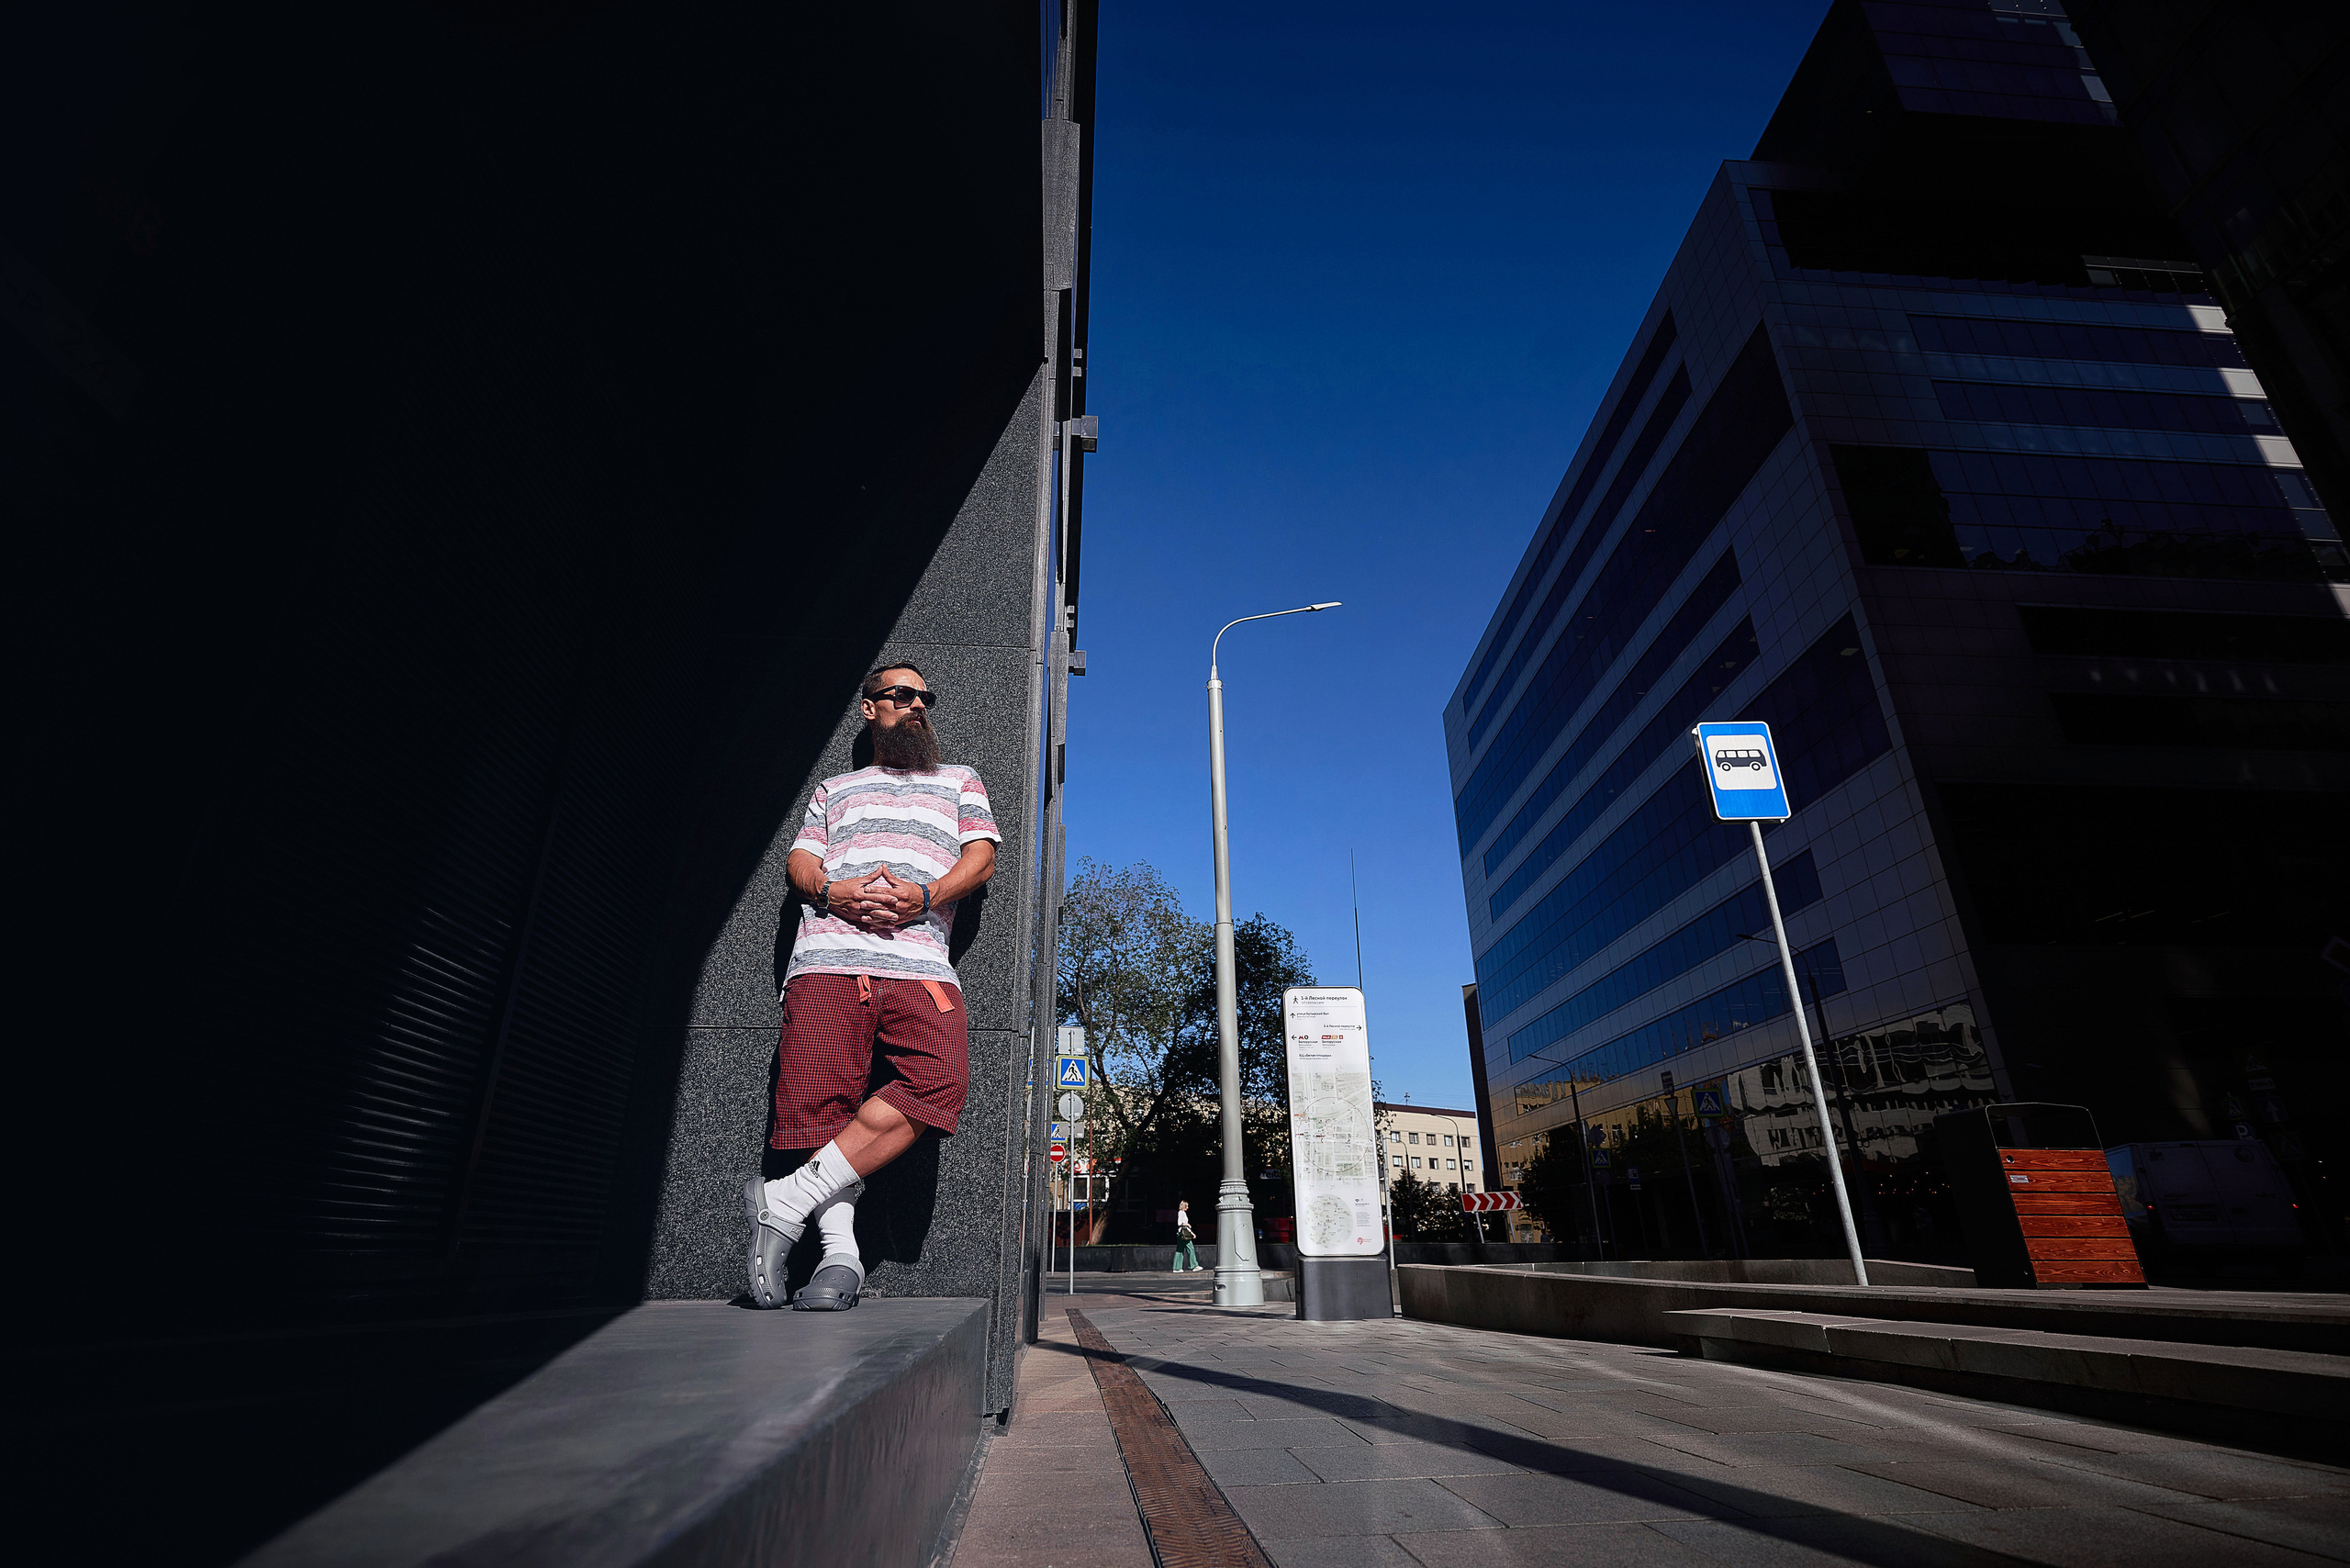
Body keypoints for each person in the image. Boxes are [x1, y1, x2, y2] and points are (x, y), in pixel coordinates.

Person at [743, 663, 1000, 1310]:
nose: (917, 706)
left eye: (924, 698)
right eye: (902, 695)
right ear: (869, 708)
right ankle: (841, 1258)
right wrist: (834, 890)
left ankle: (787, 1199)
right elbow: (799, 861)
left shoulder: (959, 779)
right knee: (818, 1109)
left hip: (922, 964)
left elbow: (982, 856)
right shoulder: (835, 788)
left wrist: (926, 895)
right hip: (828, 957)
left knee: (939, 1081)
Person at [1172, 1200, 1200, 1272]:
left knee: (1180, 1250)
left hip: (1181, 1234)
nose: (1188, 1207)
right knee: (1191, 1248)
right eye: (1187, 1206)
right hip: (1183, 1234)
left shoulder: (1182, 1213)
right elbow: (1180, 1223)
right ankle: (1194, 1265)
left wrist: (1192, 1233)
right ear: (1184, 1206)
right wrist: (1187, 1224)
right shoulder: (1181, 1213)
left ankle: (1177, 1267)